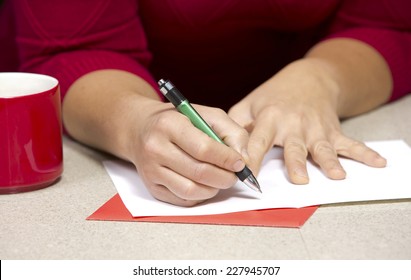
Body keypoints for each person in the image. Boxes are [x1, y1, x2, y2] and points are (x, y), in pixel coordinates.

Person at [1, 0, 410, 206]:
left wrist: (323, 78)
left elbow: (391, 22)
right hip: (115, 92)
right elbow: (73, 48)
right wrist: (137, 120)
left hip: (321, 86)